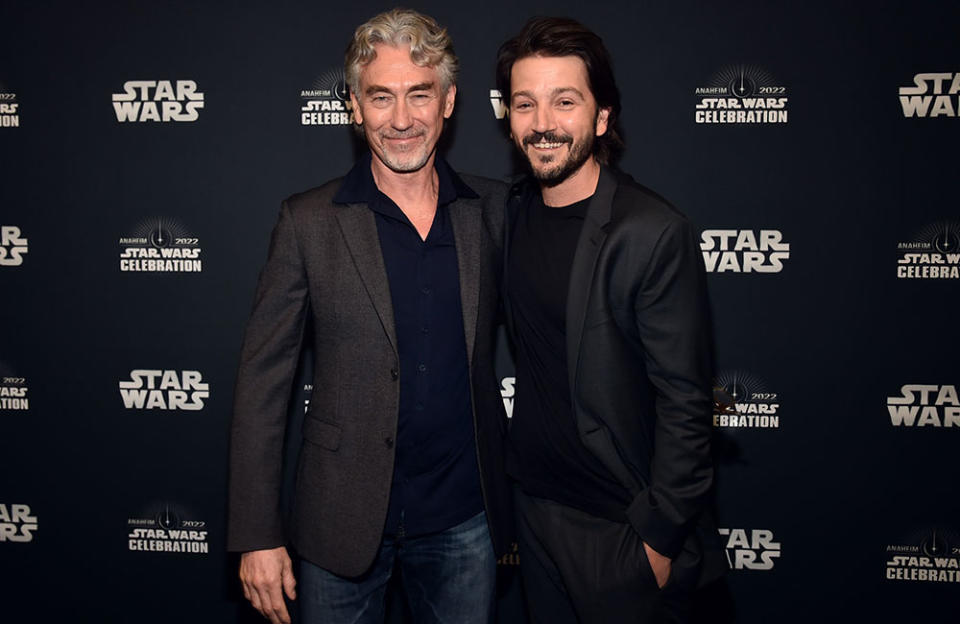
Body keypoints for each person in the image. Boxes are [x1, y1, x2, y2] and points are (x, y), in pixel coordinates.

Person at [227, 9, 511, 624]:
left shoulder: (492, 210)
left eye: (419, 95)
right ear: (355, 107)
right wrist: (256, 532)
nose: (402, 119)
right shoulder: (307, 221)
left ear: (449, 102)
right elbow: (263, 384)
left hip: (465, 520)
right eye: (381, 97)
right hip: (337, 524)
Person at [496, 17, 725, 623]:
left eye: (564, 101)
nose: (543, 122)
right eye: (525, 104)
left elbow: (685, 399)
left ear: (601, 117)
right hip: (534, 510)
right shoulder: (507, 213)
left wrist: (658, 540)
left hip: (620, 527)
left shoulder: (650, 232)